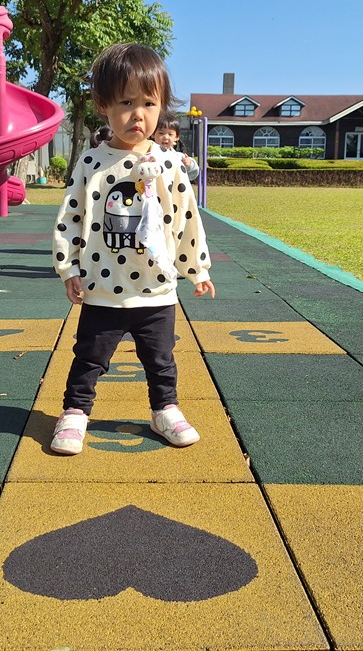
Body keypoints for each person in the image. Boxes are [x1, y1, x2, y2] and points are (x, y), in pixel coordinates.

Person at [50, 43, 216, 456]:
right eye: (126, 103)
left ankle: (165, 409)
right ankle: (75, 412)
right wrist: (69, 268)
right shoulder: (92, 163)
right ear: (103, 106)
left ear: (161, 107)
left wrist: (197, 269)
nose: (137, 115)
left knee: (161, 359)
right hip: (103, 289)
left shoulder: (170, 164)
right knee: (89, 356)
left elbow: (186, 219)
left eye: (148, 103)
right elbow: (71, 217)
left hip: (156, 289)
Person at [152, 114, 200, 181]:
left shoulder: (179, 157)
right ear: (153, 134)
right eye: (161, 133)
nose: (166, 137)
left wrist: (189, 165)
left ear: (176, 137)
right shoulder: (149, 154)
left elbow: (193, 173)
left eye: (170, 134)